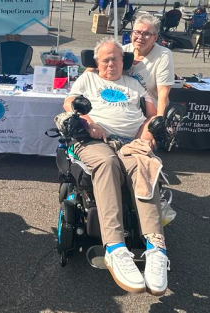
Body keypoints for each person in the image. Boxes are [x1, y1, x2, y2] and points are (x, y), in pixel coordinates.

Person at [64, 38, 168, 295]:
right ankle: (114, 248)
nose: (111, 63)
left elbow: (152, 114)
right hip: (92, 139)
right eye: (105, 59)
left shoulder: (134, 85)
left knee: (144, 165)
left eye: (116, 59)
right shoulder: (87, 80)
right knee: (108, 163)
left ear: (125, 62)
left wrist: (147, 132)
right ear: (97, 62)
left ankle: (156, 249)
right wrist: (88, 122)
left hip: (131, 141)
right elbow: (69, 104)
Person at [122, 14, 174, 119]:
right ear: (132, 33)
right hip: (123, 109)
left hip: (147, 114)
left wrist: (160, 120)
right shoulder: (121, 51)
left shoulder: (163, 55)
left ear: (155, 37)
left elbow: (163, 91)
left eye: (146, 34)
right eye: (137, 32)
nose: (140, 37)